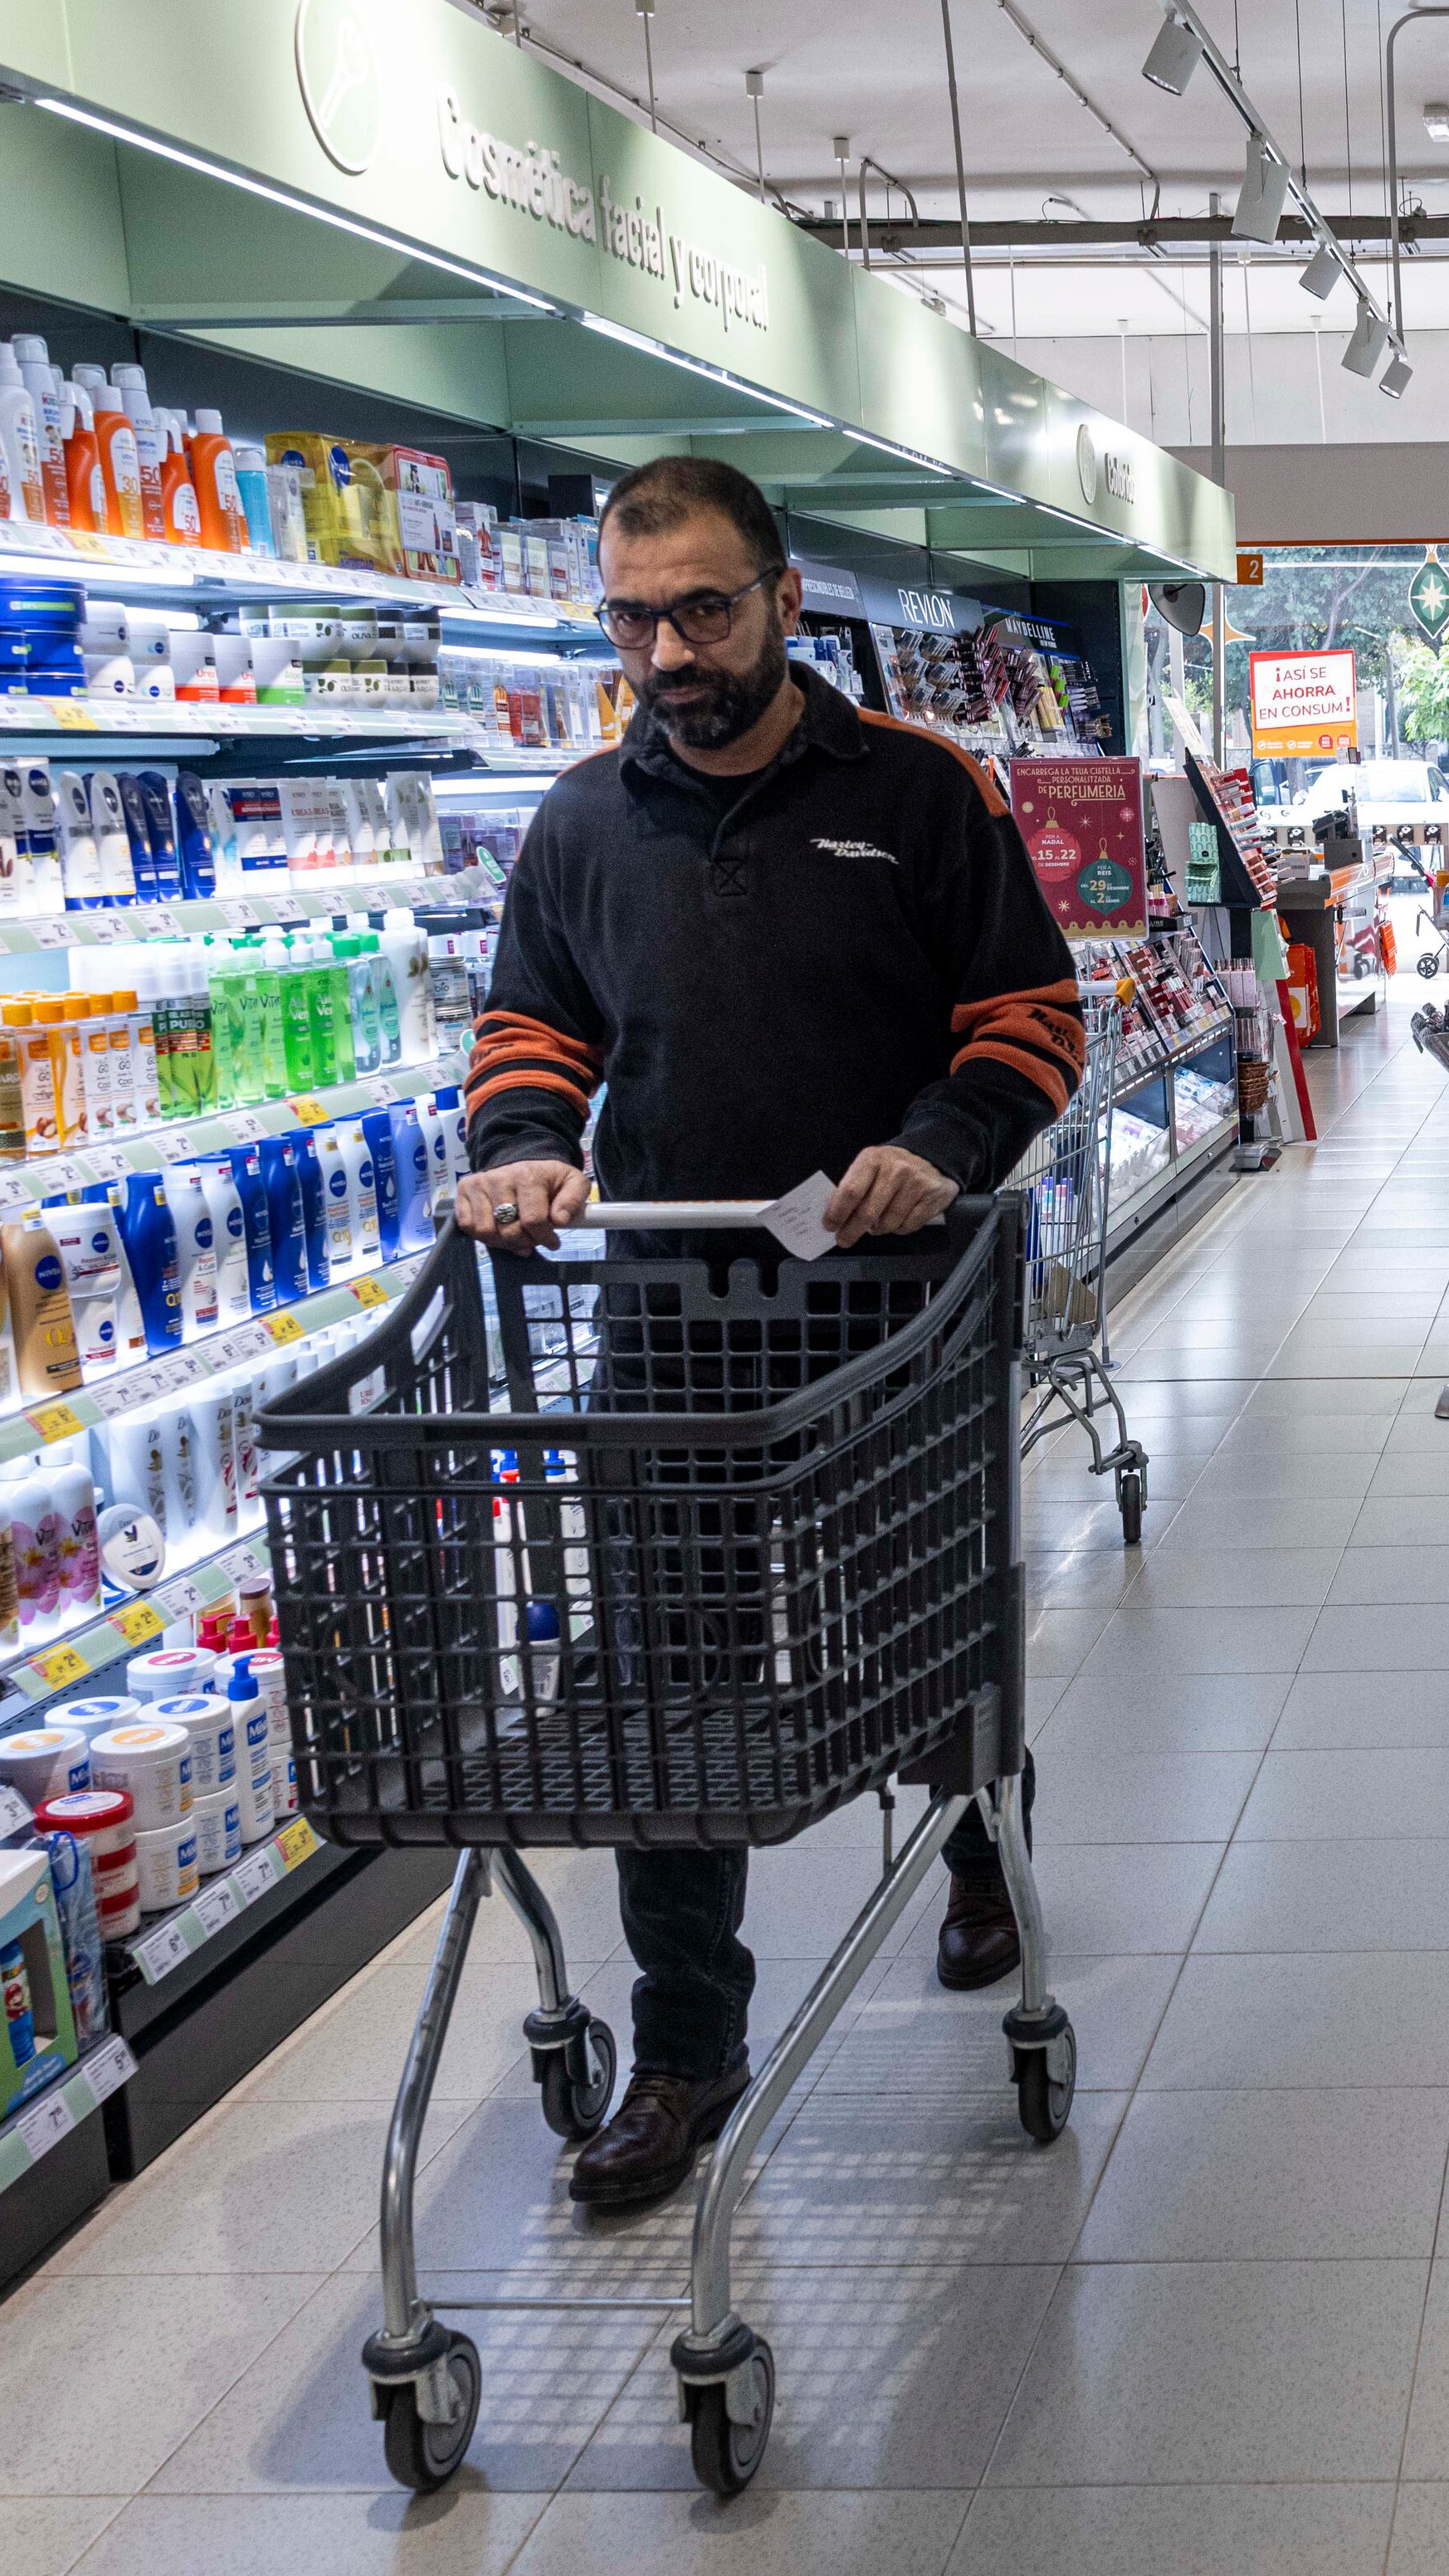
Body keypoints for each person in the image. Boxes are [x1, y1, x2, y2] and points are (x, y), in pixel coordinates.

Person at [452, 454, 1088, 2208]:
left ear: (786, 598)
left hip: (895, 1303)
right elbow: (530, 1031)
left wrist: (941, 1144)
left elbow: (1032, 1014)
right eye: (633, 616)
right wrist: (518, 1152)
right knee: (668, 1682)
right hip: (675, 1319)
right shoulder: (582, 823)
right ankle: (685, 2040)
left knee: (923, 1625)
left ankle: (976, 1845)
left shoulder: (918, 786)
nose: (667, 651)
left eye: (703, 608)